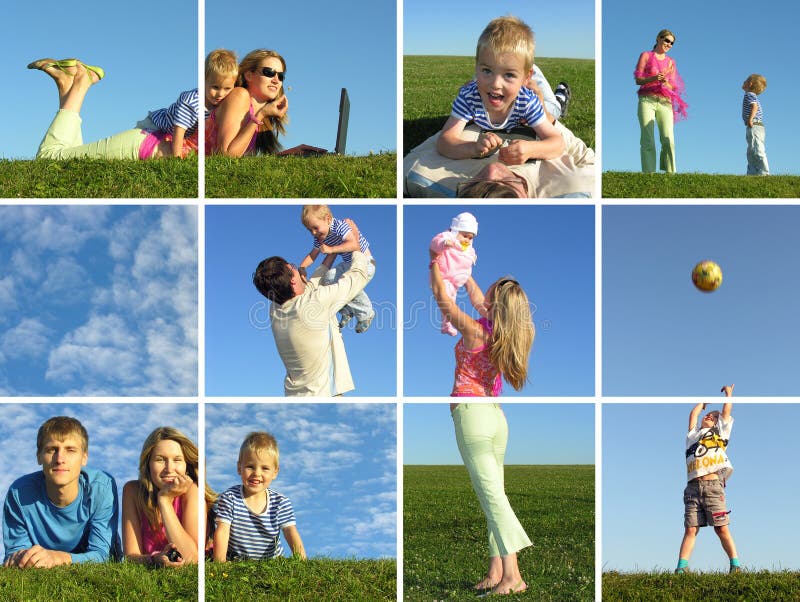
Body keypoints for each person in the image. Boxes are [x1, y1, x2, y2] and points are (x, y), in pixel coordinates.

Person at [252, 221, 371, 396]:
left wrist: (332, 249)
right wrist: (353, 238)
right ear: (293, 279)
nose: (298, 267)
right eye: (293, 266)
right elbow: (357, 276)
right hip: (324, 396)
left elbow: (313, 282)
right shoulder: (315, 305)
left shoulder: (276, 309)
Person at [437, 16, 564, 164]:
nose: (496, 83)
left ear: (525, 78)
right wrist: (473, 148)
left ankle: (560, 96)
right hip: (515, 74)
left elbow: (557, 143)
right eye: (486, 70)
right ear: (476, 67)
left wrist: (530, 149)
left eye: (508, 74)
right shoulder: (469, 96)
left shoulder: (527, 100)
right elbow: (444, 141)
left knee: (553, 109)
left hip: (532, 83)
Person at [2, 416, 119, 568]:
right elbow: (16, 554)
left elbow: (102, 555)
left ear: (84, 457)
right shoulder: (19, 493)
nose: (59, 459)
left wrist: (57, 557)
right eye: (52, 450)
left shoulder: (102, 488)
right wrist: (23, 558)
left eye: (70, 450)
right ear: (39, 456)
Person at [27, 58, 193, 160]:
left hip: (150, 141)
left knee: (68, 154)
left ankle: (66, 86)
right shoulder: (202, 103)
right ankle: (81, 81)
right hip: (148, 146)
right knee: (49, 158)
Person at [449, 403, 531, 594]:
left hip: (473, 415)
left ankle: (512, 577)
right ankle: (496, 571)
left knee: (492, 497)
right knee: (494, 495)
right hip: (495, 416)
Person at [429, 252, 534, 396]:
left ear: (495, 300)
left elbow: (440, 294)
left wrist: (435, 260)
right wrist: (460, 262)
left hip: (472, 407)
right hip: (492, 407)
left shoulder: (475, 331)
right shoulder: (499, 329)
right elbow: (476, 298)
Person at [121, 427, 214, 566]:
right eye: (160, 460)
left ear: (186, 465)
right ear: (148, 464)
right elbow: (131, 557)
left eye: (177, 460)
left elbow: (191, 558)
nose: (169, 468)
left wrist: (164, 501)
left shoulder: (192, 491)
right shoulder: (132, 491)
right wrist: (154, 559)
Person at [675, 385, 741, 574]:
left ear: (718, 424)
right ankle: (681, 568)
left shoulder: (720, 434)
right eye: (708, 415)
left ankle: (735, 565)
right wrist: (701, 404)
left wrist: (729, 394)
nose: (709, 417)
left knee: (721, 528)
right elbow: (692, 417)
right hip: (692, 489)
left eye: (714, 417)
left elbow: (726, 412)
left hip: (713, 488)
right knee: (691, 529)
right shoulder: (692, 436)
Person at [213, 432, 306, 561]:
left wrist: (302, 561)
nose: (257, 473)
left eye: (265, 468)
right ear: (239, 467)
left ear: (275, 472)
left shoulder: (280, 503)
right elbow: (222, 531)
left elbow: (290, 531)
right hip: (236, 561)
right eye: (250, 467)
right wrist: (219, 564)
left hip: (271, 563)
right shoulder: (230, 498)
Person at [137, 49, 239, 158]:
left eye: (227, 88)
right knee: (145, 148)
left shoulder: (221, 102)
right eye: (215, 87)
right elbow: (179, 130)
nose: (220, 94)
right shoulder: (191, 102)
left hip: (176, 134)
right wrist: (177, 157)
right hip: (157, 125)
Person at [299, 205, 377, 333]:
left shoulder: (340, 226)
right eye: (309, 230)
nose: (313, 233)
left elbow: (353, 244)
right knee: (328, 279)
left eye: (315, 228)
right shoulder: (319, 238)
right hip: (350, 265)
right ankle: (346, 310)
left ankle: (366, 313)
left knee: (349, 284)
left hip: (366, 263)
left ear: (328, 219)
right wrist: (302, 267)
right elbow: (313, 255)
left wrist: (331, 249)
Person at [207, 49, 289, 156]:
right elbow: (225, 155)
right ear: (249, 75)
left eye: (280, 76)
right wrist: (260, 115)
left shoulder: (262, 117)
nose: (276, 80)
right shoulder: (239, 95)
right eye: (269, 72)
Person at [634, 29, 688, 173]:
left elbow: (673, 87)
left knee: (668, 138)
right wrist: (654, 78)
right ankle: (649, 173)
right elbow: (638, 80)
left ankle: (670, 172)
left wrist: (665, 82)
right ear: (658, 38)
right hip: (647, 100)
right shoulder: (645, 56)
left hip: (665, 102)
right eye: (666, 40)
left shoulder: (671, 62)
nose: (668, 44)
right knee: (648, 139)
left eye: (671, 43)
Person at [430, 212, 478, 336]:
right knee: (447, 299)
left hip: (455, 280)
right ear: (456, 231)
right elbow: (435, 243)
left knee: (452, 301)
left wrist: (472, 258)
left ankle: (446, 324)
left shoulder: (468, 248)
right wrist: (444, 244)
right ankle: (446, 324)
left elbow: (470, 254)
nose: (467, 240)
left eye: (471, 238)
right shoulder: (447, 237)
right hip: (443, 275)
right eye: (465, 236)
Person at [742, 74, 769, 176]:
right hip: (755, 126)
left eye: (745, 80)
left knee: (757, 149)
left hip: (754, 125)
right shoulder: (751, 95)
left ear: (750, 84)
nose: (743, 82)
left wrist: (750, 119)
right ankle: (752, 172)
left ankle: (764, 172)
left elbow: (754, 107)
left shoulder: (749, 95)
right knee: (751, 150)